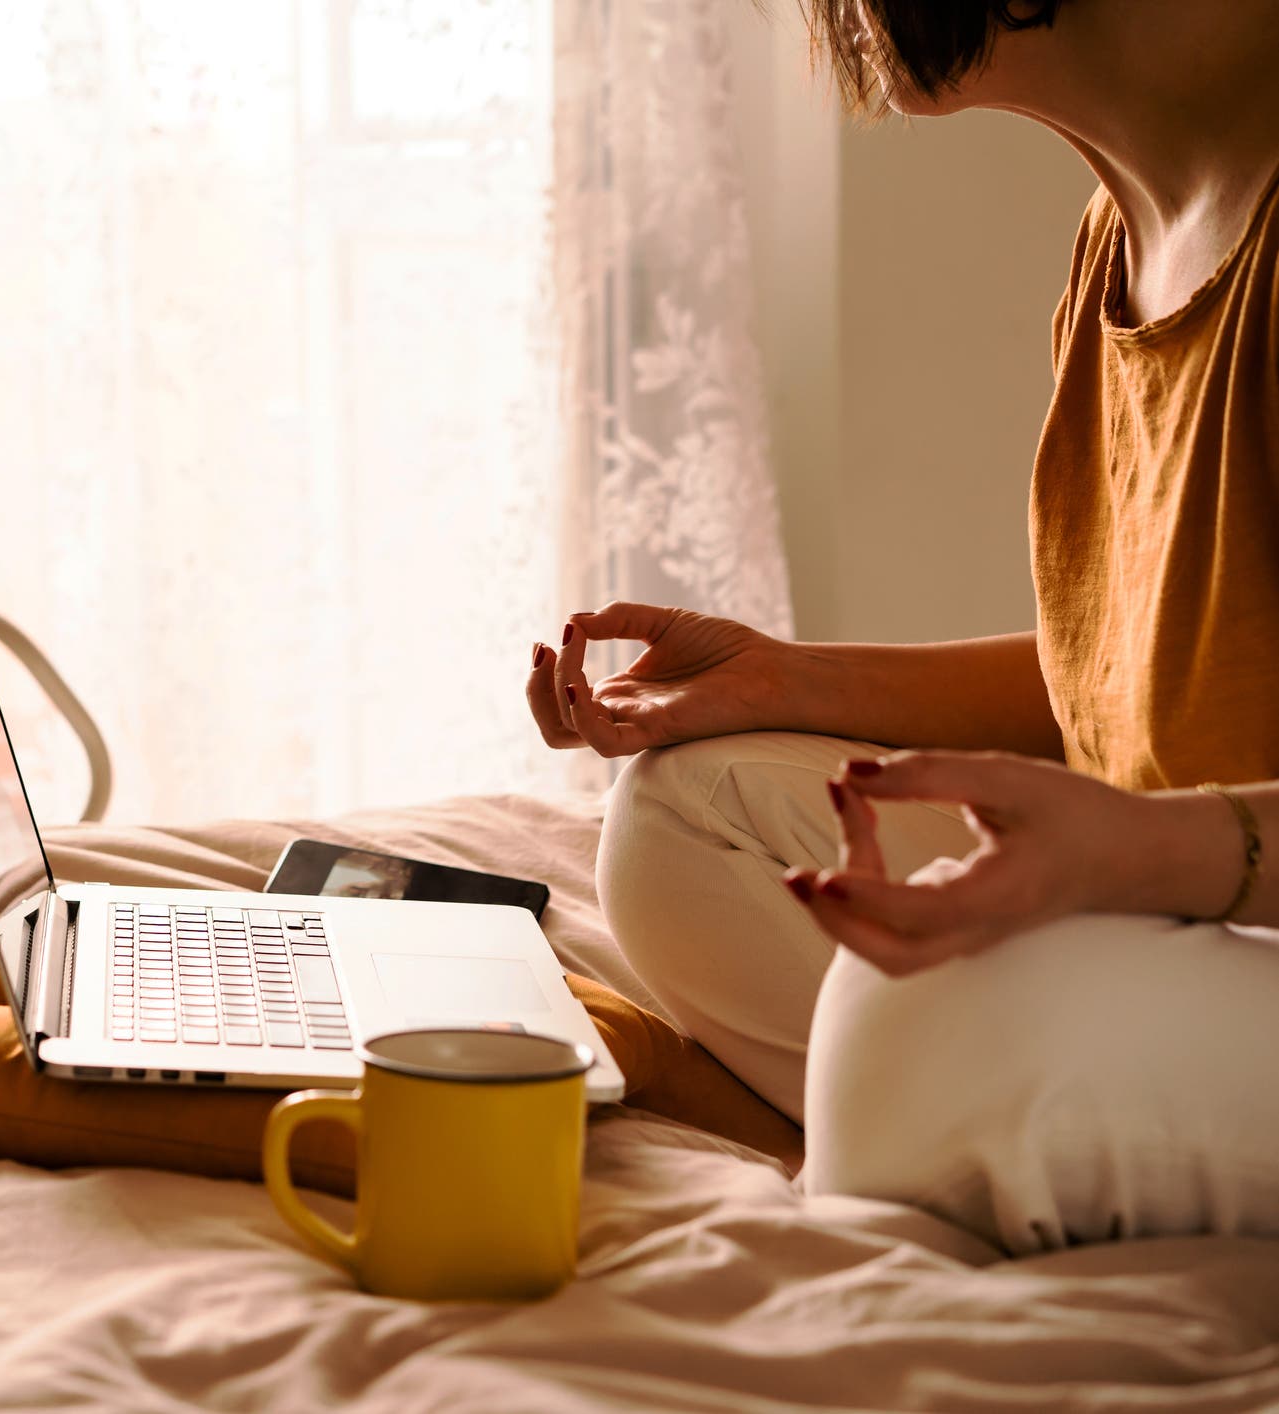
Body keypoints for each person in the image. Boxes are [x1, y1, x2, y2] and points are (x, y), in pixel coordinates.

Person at [525, 0, 1279, 1254]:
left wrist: (1153, 853)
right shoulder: (1123, 236)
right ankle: (945, 1129)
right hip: (1198, 890)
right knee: (679, 811)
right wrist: (781, 679)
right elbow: (1141, 675)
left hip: (1229, 887)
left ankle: (912, 1129)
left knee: (910, 1015)